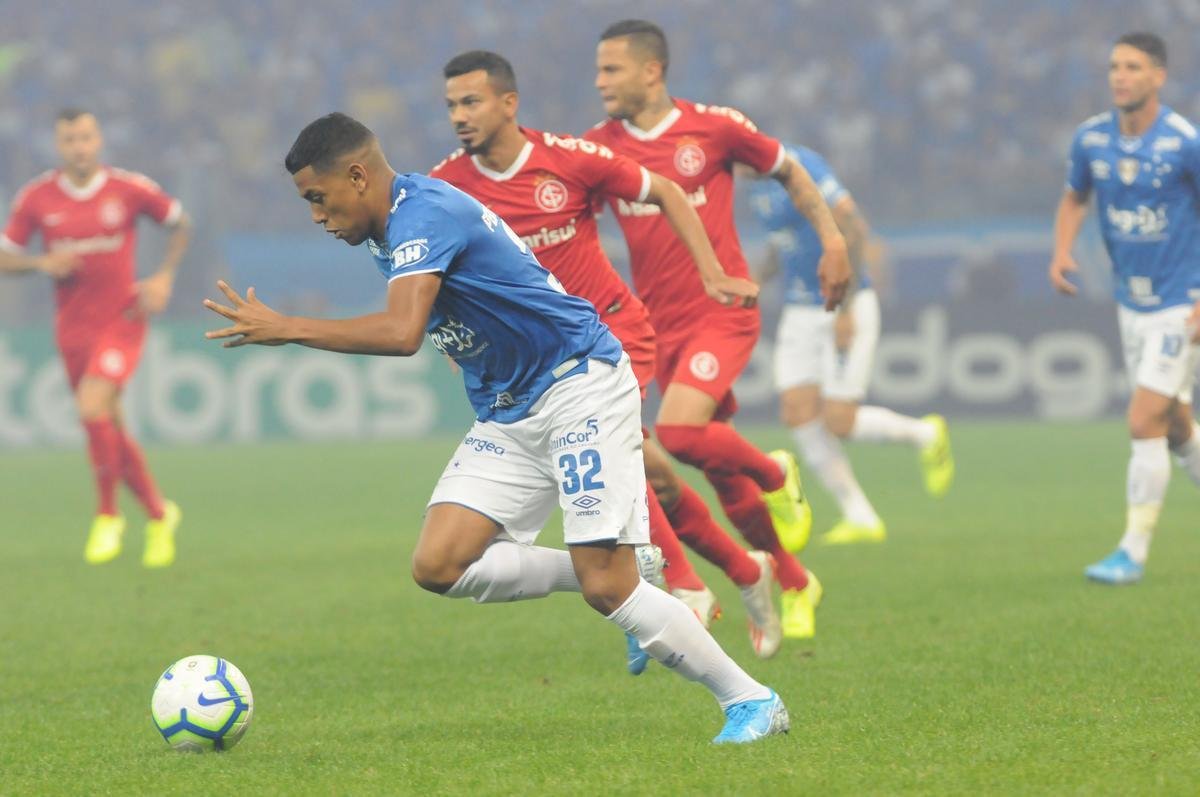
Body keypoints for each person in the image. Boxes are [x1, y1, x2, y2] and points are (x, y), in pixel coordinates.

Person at [203, 112, 788, 743]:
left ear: (357, 175)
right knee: (440, 564)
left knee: (605, 588)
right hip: (511, 408)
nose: (316, 215)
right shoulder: (384, 227)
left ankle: (752, 700)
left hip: (576, 385)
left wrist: (288, 327)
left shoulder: (422, 215)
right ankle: (633, 563)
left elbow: (403, 334)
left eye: (318, 197)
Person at [429, 50, 784, 666]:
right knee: (655, 475)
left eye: (472, 102)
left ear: (508, 103)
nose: (460, 116)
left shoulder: (568, 159)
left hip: (611, 332)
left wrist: (713, 273)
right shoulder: (447, 186)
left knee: (618, 458)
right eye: (452, 106)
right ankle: (742, 567)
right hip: (542, 358)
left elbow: (668, 191)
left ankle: (690, 586)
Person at [584, 19, 852, 638]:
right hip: (657, 325)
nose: (600, 82)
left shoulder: (715, 126)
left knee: (679, 434)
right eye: (598, 70)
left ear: (652, 70)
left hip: (723, 307)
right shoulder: (598, 147)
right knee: (717, 467)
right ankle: (791, 577)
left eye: (611, 69)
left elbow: (790, 171)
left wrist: (833, 241)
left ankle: (778, 473)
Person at [0, 109, 190, 567]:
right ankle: (160, 514)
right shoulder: (37, 198)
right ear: (58, 144)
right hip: (73, 330)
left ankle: (108, 515)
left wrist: (163, 278)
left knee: (90, 406)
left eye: (85, 137)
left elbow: (180, 223)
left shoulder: (128, 188)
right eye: (69, 139)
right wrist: (42, 264)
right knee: (111, 428)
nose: (79, 147)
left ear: (99, 139)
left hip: (122, 319)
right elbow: (4, 258)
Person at [746, 144, 954, 545]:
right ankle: (858, 515)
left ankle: (925, 435)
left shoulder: (798, 164)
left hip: (842, 300)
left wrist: (845, 308)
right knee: (797, 411)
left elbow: (853, 226)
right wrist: (754, 284)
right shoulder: (756, 187)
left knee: (839, 421)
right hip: (799, 307)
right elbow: (781, 243)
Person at [1050, 32, 1200, 585]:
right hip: (1130, 302)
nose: (1120, 76)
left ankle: (1131, 552)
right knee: (1178, 425)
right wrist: (1062, 249)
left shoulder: (1185, 142)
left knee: (1143, 419)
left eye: (1133, 67)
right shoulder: (1091, 139)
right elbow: (1074, 196)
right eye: (1114, 66)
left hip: (1179, 304)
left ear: (1158, 76)